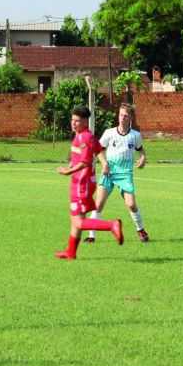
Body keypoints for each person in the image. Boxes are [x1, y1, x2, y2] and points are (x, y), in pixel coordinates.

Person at [55, 105, 123, 260]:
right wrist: (104, 163)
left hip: (81, 184)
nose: (73, 123)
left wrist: (66, 171)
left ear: (85, 122)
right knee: (75, 219)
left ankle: (111, 225)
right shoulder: (86, 135)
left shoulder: (84, 137)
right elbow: (98, 149)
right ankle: (71, 252)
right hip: (83, 182)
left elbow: (85, 162)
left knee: (78, 221)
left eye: (77, 121)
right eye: (72, 120)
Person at [84, 103, 149, 243]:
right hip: (109, 173)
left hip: (125, 174)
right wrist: (104, 163)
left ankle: (141, 230)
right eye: (121, 115)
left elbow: (140, 149)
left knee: (131, 204)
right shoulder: (109, 133)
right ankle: (91, 236)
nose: (122, 118)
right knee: (99, 203)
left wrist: (143, 158)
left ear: (130, 117)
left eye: (125, 115)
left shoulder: (135, 135)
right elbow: (97, 150)